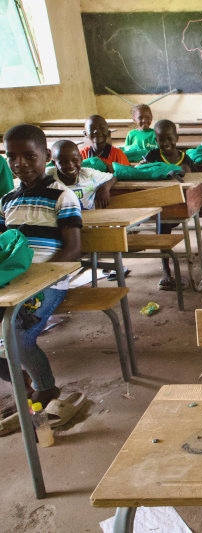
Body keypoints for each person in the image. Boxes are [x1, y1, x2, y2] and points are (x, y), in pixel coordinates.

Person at [0, 124, 82, 409]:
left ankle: (46, 389)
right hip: (13, 281)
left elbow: (73, 248)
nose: (20, 164)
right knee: (5, 338)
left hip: (48, 283)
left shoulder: (62, 196)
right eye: (12, 157)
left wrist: (39, 279)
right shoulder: (7, 201)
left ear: (46, 155)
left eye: (29, 156)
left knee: (20, 338)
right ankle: (20, 380)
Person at [142, 119, 198, 291]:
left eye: (169, 138)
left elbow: (191, 176)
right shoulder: (152, 156)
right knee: (162, 221)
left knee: (164, 222)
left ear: (177, 138)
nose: (165, 143)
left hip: (179, 205)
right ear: (156, 140)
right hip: (156, 202)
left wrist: (181, 170)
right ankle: (166, 271)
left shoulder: (185, 158)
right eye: (160, 139)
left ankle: (166, 270)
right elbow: (142, 170)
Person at [48, 140, 116, 210]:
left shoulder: (89, 175)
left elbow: (112, 177)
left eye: (75, 160)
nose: (70, 166)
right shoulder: (47, 177)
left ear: (81, 159)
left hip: (88, 218)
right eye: (63, 162)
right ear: (54, 163)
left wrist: (105, 189)